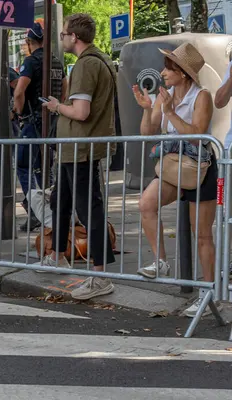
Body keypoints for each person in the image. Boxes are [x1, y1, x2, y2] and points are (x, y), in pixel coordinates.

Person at [133, 43, 220, 318]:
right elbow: (147, 133)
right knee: (146, 204)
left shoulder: (201, 96)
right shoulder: (165, 94)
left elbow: (197, 134)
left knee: (202, 234)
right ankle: (161, 262)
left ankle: (209, 294)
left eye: (169, 68)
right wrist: (148, 109)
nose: (163, 73)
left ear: (183, 73)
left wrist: (170, 113)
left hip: (199, 168)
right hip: (173, 167)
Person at [41, 13, 116, 300]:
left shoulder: (87, 65)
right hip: (75, 148)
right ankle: (57, 255)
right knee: (60, 200)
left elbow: (81, 112)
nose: (62, 38)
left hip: (80, 148)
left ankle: (100, 276)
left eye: (63, 34)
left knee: (89, 211)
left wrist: (57, 106)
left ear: (74, 37)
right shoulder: (101, 60)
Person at [13, 22, 66, 232]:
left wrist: (19, 112)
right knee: (46, 168)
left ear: (29, 42)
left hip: (32, 121)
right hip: (52, 120)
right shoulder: (56, 61)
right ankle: (51, 211)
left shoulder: (31, 61)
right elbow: (65, 87)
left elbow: (19, 92)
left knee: (24, 166)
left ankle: (34, 211)